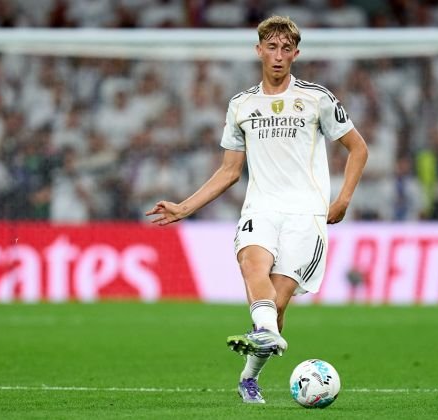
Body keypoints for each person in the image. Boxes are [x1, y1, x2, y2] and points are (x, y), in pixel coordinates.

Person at [145, 16, 368, 404]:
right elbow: (230, 171)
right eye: (272, 47)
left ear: (296, 54)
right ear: (259, 50)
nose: (278, 56)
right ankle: (263, 335)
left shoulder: (317, 98)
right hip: (260, 208)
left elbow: (358, 148)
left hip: (306, 215)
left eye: (286, 49)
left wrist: (344, 199)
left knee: (275, 308)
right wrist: (184, 207)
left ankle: (249, 377)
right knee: (252, 265)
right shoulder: (241, 105)